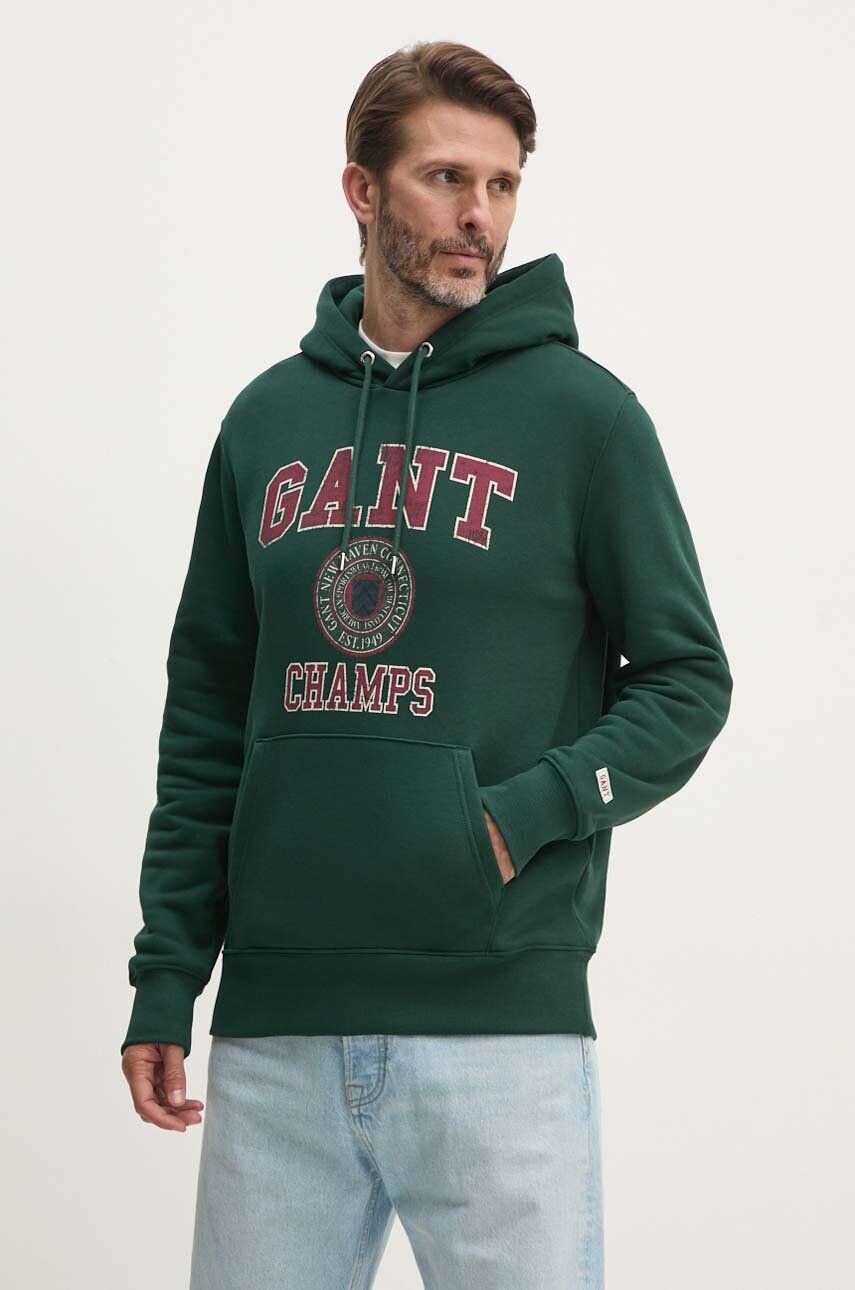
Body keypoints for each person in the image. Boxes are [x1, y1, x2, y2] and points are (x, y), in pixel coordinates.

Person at [120, 39, 733, 1290]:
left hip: (501, 1037)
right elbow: (208, 717)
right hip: (277, 1039)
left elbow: (687, 679)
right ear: (362, 189)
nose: (479, 218)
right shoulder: (266, 422)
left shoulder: (585, 419)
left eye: (502, 186)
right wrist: (168, 975)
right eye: (447, 178)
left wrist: (520, 817)